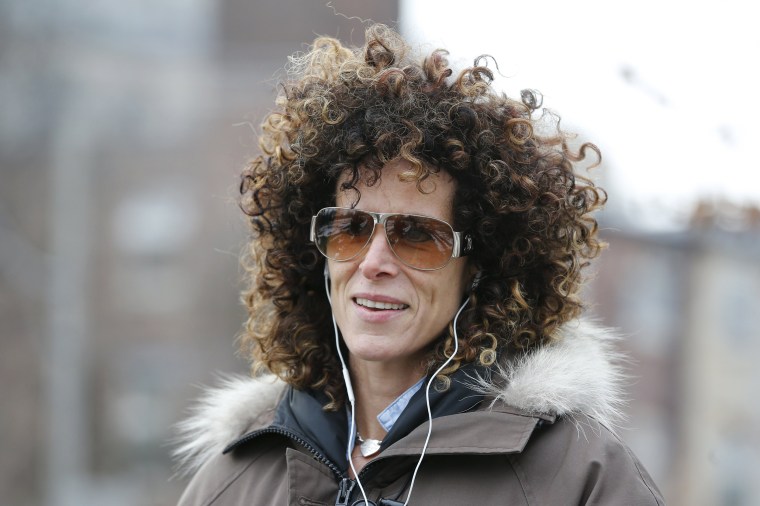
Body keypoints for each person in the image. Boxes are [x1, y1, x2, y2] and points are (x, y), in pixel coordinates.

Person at [173, 24, 664, 505]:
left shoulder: (576, 480)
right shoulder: (230, 486)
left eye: (417, 236)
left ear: (480, 266)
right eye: (350, 228)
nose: (374, 262)